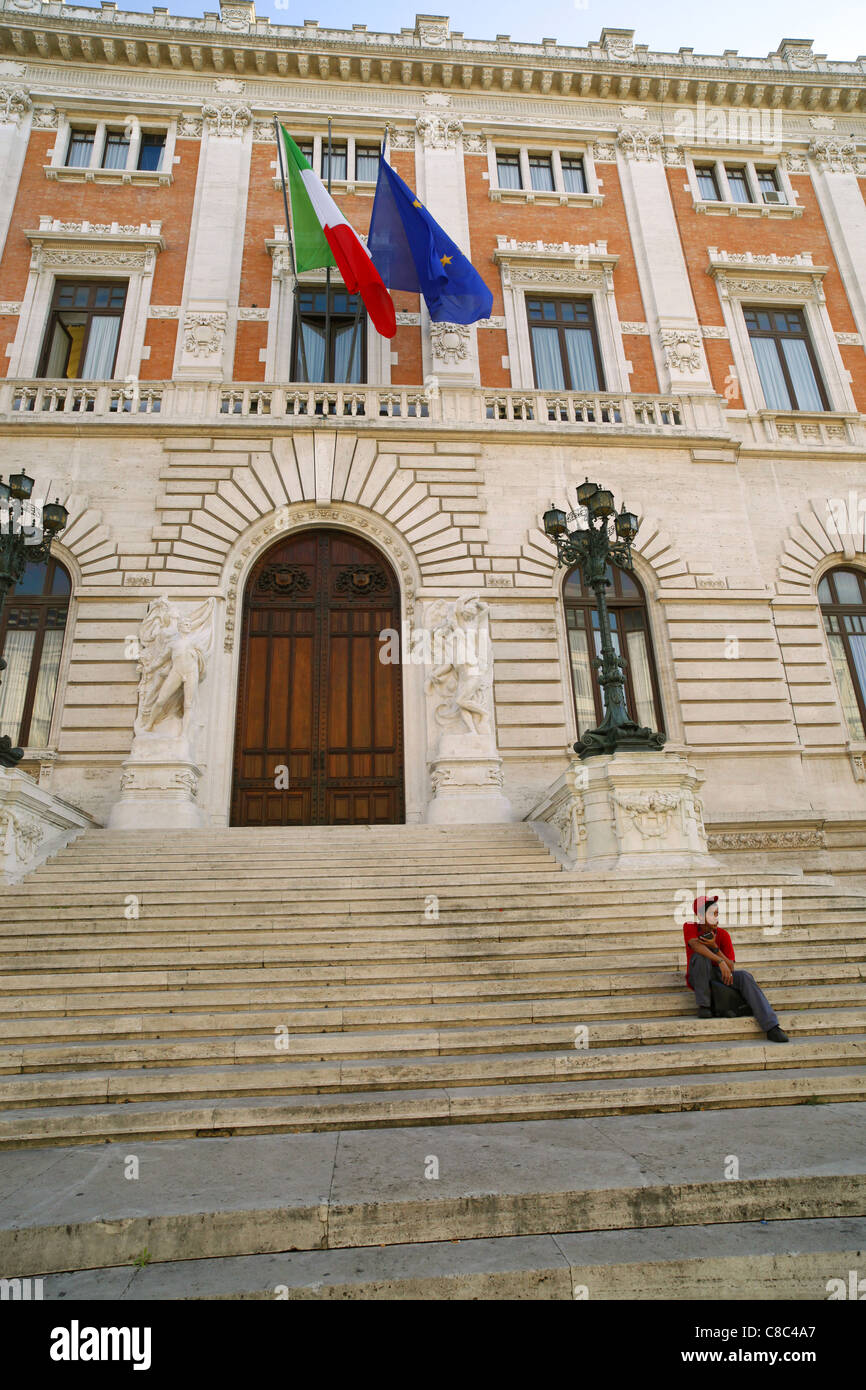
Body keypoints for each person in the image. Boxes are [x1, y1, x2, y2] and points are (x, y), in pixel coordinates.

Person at [683, 894, 789, 1043]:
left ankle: (772, 1027)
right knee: (700, 958)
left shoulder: (723, 935)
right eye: (712, 914)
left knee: (744, 976)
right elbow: (695, 945)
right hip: (699, 976)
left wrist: (715, 948)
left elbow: (731, 966)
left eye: (717, 914)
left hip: (718, 977)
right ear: (701, 915)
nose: (716, 917)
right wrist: (719, 961)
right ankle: (704, 1006)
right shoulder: (690, 927)